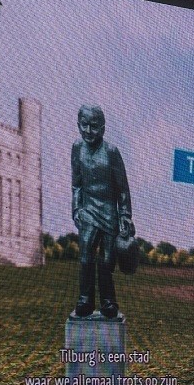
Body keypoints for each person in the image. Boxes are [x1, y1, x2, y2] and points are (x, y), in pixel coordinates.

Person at [71, 105, 134, 320]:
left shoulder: (112, 152)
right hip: (87, 212)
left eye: (94, 126)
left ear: (103, 128)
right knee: (86, 258)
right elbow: (76, 185)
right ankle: (85, 299)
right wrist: (76, 209)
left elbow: (123, 189)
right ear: (78, 125)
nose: (89, 131)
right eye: (84, 125)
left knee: (107, 261)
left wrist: (125, 215)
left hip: (109, 213)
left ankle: (108, 301)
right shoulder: (76, 148)